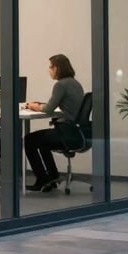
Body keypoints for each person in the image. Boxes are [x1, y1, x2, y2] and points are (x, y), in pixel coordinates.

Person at [24, 53, 85, 192]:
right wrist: (42, 105)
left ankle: (42, 179)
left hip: (65, 132)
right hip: (75, 131)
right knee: (42, 143)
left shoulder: (60, 85)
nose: (49, 70)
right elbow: (56, 105)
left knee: (29, 140)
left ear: (58, 68)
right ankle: (52, 176)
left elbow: (48, 109)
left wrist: (32, 105)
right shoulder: (75, 83)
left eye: (51, 67)